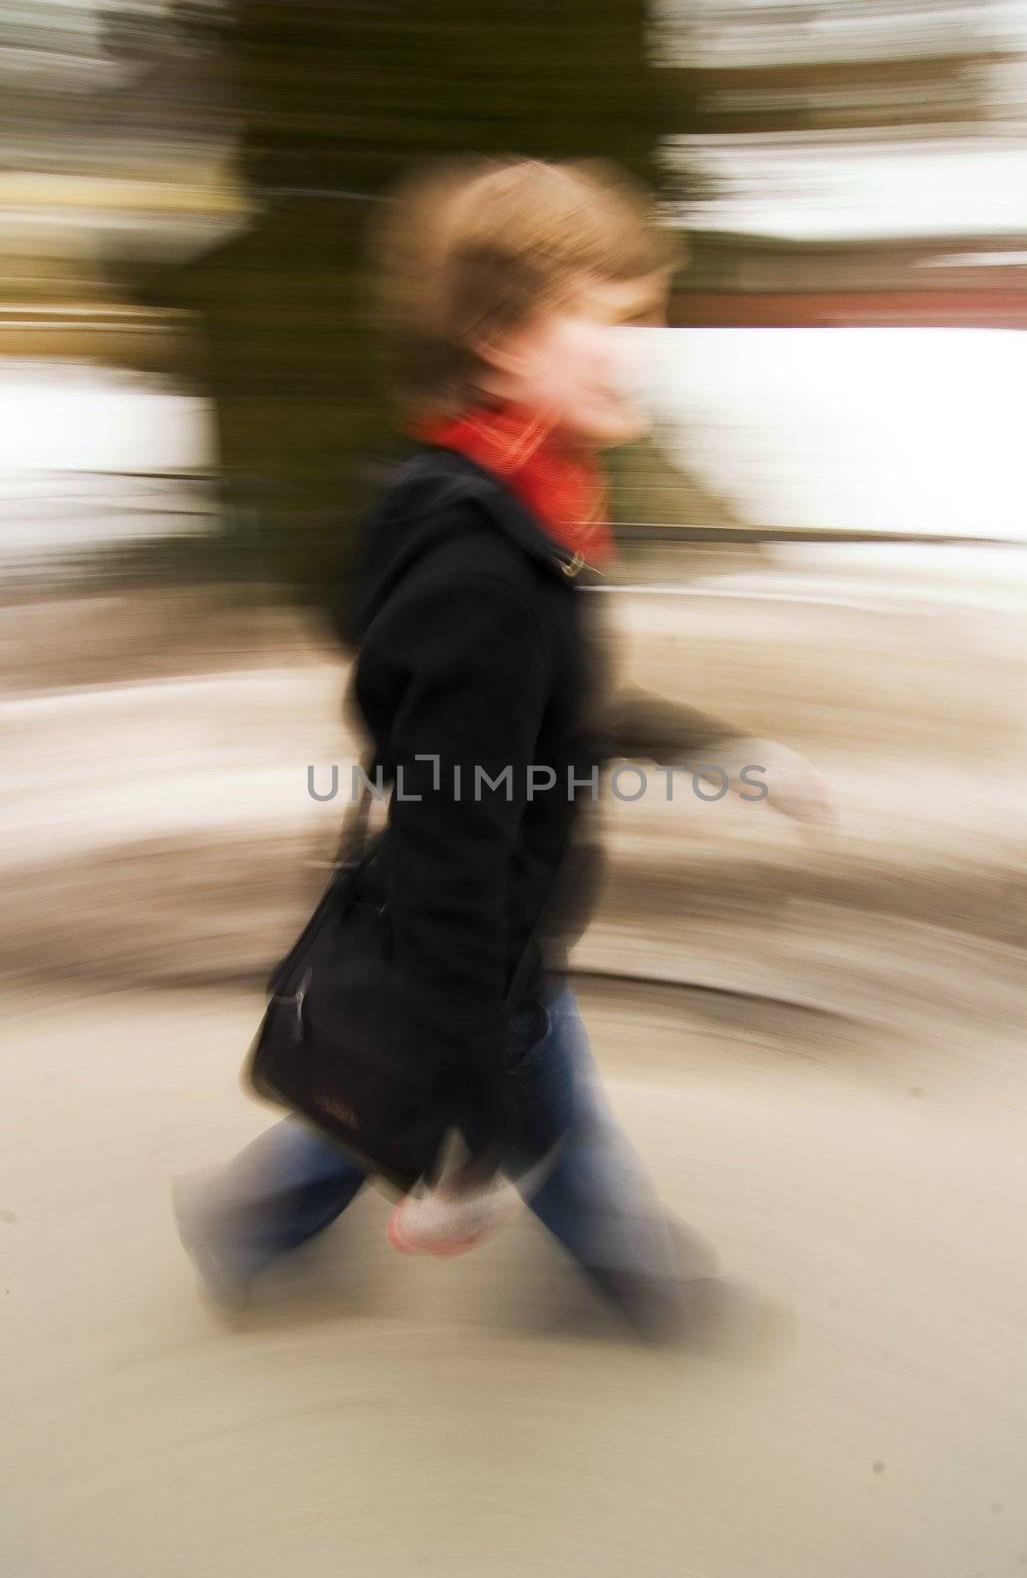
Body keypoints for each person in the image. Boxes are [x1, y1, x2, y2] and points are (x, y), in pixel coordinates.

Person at [174, 157, 835, 1341]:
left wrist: (733, 754)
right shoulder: (485, 570)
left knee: (429, 1092)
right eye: (605, 312)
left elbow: (561, 712)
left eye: (643, 310)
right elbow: (451, 856)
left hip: (494, 925)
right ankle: (636, 1287)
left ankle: (251, 1225)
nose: (638, 345)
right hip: (484, 943)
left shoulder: (510, 505)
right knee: (543, 1113)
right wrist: (464, 1141)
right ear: (499, 336)